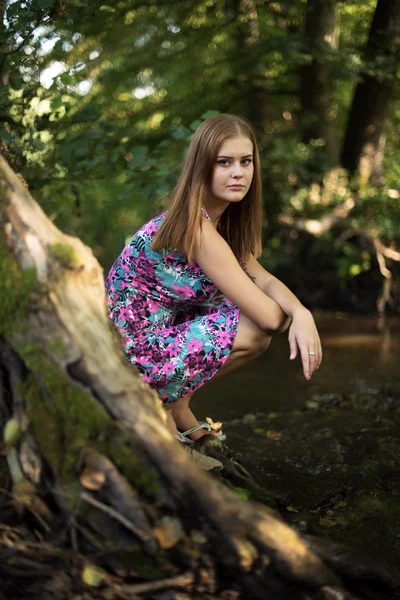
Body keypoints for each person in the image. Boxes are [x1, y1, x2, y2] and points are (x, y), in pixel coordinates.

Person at [105, 114, 322, 443]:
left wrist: (301, 312)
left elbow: (264, 279)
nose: (238, 172)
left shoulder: (219, 226)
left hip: (148, 347)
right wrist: (288, 316)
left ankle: (177, 406)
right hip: (123, 358)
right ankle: (161, 404)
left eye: (245, 161)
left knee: (245, 319)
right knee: (255, 330)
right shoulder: (197, 229)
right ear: (202, 167)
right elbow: (267, 318)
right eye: (224, 162)